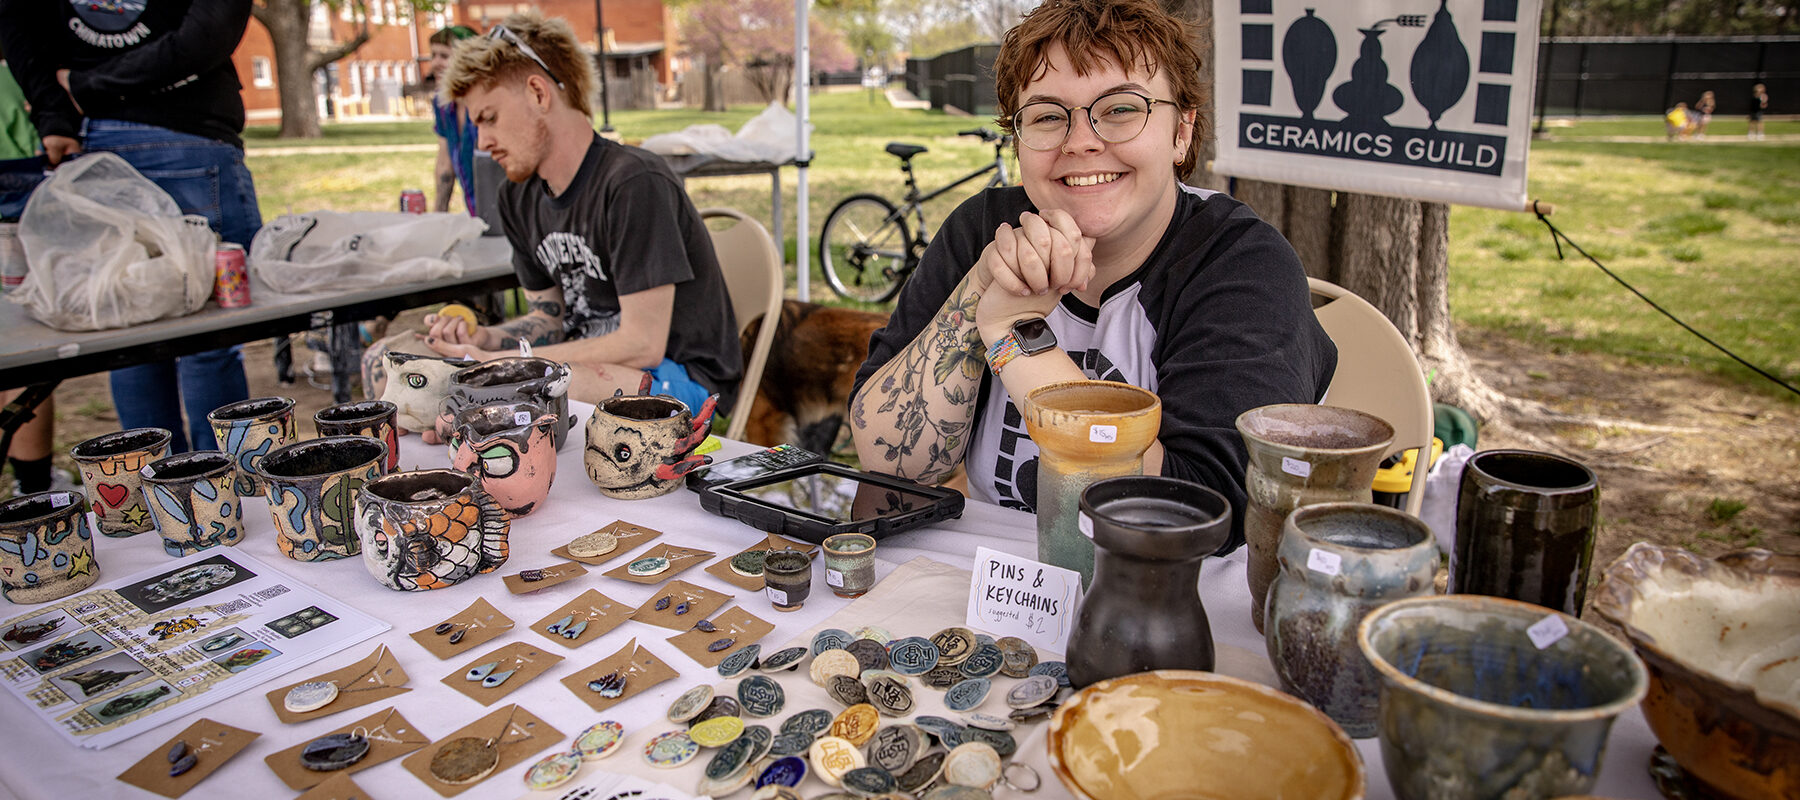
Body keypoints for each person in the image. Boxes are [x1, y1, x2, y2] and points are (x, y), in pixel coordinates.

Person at [849, 0, 1335, 554]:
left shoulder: (1242, 266)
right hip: (996, 590)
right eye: (1049, 116)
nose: (1080, 141)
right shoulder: (983, 230)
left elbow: (1202, 512)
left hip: (1169, 603)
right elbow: (894, 462)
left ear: (1181, 132)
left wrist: (1013, 332)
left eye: (1122, 109)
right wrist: (979, 287)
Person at [417, 11, 741, 413]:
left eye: (489, 118)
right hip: (587, 368)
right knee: (416, 370)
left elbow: (643, 342)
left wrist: (506, 367)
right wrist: (485, 339)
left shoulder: (634, 182)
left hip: (677, 378)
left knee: (510, 391)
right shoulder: (516, 196)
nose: (482, 142)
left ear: (538, 93)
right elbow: (548, 317)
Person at [0, 0, 259, 453]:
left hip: (99, 140)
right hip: (186, 134)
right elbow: (212, 28)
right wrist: (69, 100)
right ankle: (219, 491)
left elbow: (18, 28)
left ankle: (158, 493)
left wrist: (59, 107)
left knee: (130, 332)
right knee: (210, 332)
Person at [429, 24, 480, 215]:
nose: (435, 64)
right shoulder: (443, 104)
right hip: (475, 214)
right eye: (433, 55)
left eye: (444, 56)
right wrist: (438, 216)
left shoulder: (488, 104)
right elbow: (445, 166)